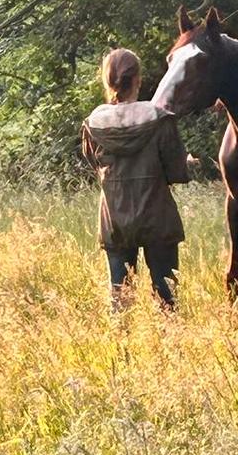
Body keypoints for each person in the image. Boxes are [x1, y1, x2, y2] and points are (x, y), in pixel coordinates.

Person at [82, 47, 193, 311]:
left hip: (115, 220)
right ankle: (169, 337)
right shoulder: (159, 120)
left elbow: (94, 164)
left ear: (107, 81)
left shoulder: (94, 125)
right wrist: (185, 163)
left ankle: (121, 340)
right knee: (167, 300)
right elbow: (177, 172)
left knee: (120, 301)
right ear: (138, 80)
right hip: (158, 218)